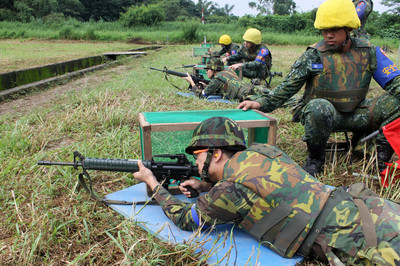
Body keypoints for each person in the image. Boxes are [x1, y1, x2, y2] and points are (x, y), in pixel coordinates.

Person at [133, 116, 400, 265]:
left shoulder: (229, 191)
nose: (196, 163)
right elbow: (264, 185)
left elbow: (185, 220)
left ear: (215, 154)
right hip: (372, 209)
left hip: (357, 243)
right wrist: (205, 185)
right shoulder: (266, 151)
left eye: (199, 155)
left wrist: (153, 183)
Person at [238, 0, 400, 176]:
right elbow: (287, 87)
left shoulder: (369, 51)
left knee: (395, 103)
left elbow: (395, 81)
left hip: (357, 113)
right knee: (318, 107)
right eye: (324, 30)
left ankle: (379, 156)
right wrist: (261, 103)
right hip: (324, 115)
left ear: (349, 29)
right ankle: (315, 160)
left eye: (334, 30)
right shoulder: (313, 54)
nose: (328, 35)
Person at [182, 58, 267, 102]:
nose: (206, 71)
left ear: (213, 69)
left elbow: (201, 96)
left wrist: (191, 82)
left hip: (247, 96)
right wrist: (206, 86)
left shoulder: (217, 79)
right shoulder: (228, 71)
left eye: (207, 69)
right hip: (252, 88)